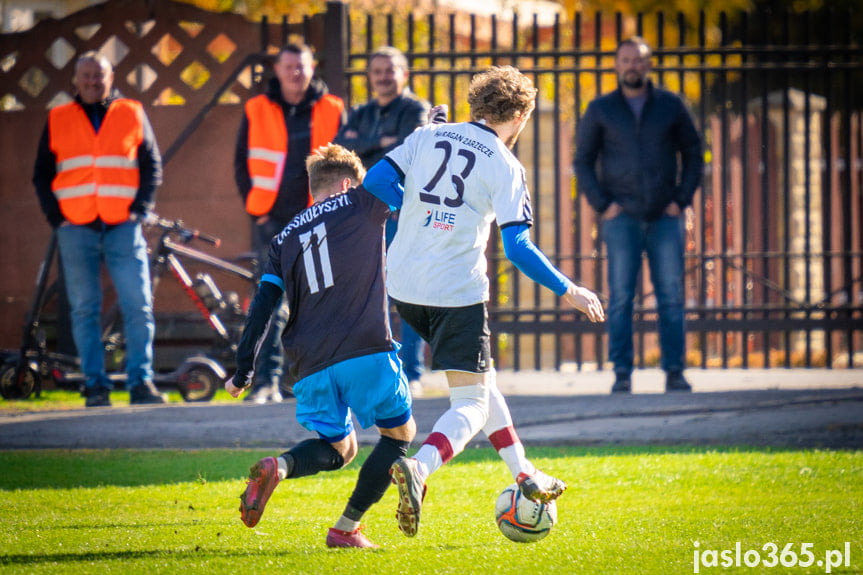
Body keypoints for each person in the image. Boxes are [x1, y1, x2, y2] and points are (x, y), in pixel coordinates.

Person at [362, 65, 606, 538]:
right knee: (470, 403)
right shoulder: (505, 163)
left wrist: (412, 205)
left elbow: (374, 181)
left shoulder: (426, 135)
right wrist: (570, 290)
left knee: (482, 379)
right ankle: (421, 466)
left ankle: (525, 473)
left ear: (476, 106)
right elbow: (517, 247)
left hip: (405, 286)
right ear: (519, 116)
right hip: (456, 292)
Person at [226, 144, 416, 549]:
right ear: (348, 184)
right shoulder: (363, 202)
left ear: (314, 189)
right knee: (400, 435)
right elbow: (409, 166)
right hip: (365, 349)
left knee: (341, 449)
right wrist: (433, 131)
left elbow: (263, 308)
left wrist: (244, 370)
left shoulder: (282, 239)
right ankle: (345, 528)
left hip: (309, 364)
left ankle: (279, 466)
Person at [32, 51, 166, 408]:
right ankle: (95, 385)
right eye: (87, 76)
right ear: (76, 80)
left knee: (138, 305)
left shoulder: (132, 112)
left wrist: (140, 210)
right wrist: (55, 217)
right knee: (84, 309)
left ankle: (141, 383)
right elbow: (42, 175)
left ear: (111, 78)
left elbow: (152, 164)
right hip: (75, 227)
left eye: (99, 76)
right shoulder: (58, 118)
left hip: (123, 224)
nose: (93, 82)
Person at [573, 37, 703, 395]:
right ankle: (622, 373)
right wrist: (603, 205)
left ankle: (675, 371)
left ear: (648, 65)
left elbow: (694, 153)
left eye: (639, 60)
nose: (632, 65)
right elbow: (583, 161)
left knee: (671, 295)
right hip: (621, 217)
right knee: (621, 297)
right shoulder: (601, 108)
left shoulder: (671, 105)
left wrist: (682, 199)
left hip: (665, 215)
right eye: (626, 59)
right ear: (617, 65)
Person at [234, 42, 344, 404]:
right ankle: (265, 381)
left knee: (320, 302)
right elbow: (241, 163)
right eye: (289, 66)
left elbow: (346, 162)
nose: (296, 72)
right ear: (278, 70)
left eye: (302, 66)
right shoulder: (256, 108)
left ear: (313, 68)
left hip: (320, 219)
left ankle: (307, 381)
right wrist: (258, 213)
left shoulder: (333, 109)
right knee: (270, 301)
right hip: (273, 220)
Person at [334, 45, 430, 396]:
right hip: (365, 216)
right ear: (370, 77)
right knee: (370, 294)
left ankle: (412, 372)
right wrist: (380, 143)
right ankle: (376, 371)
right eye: (377, 71)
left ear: (404, 73)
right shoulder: (360, 113)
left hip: (402, 215)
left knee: (406, 291)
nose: (384, 77)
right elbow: (344, 154)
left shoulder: (415, 109)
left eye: (391, 70)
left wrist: (369, 147)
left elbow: (408, 149)